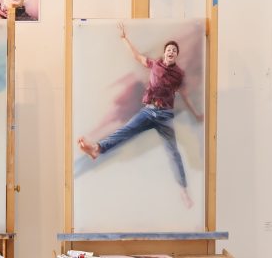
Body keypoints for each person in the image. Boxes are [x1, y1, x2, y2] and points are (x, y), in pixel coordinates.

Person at [77, 23, 203, 208]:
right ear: (164, 53)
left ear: (176, 56)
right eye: (169, 49)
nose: (171, 52)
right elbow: (136, 56)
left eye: (174, 51)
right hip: (148, 110)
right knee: (124, 131)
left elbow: (184, 95)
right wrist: (124, 38)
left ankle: (184, 191)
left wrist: (196, 114)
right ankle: (97, 149)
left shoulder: (179, 74)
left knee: (173, 153)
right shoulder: (155, 65)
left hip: (165, 116)